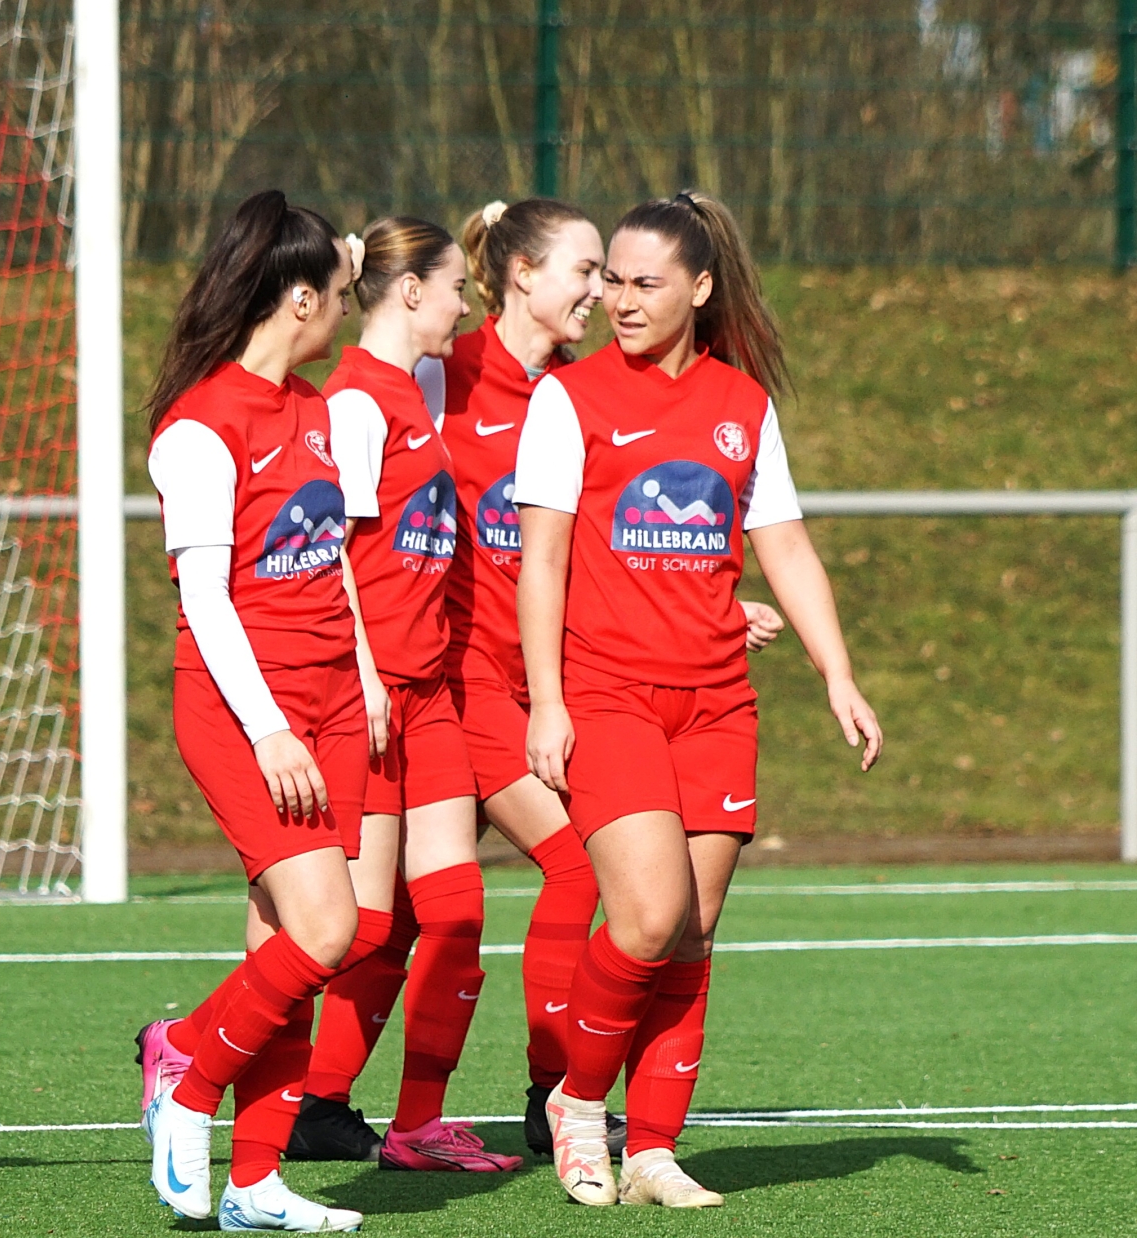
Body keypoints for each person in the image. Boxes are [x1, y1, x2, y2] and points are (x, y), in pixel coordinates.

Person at [514, 190, 882, 1208]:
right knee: (647, 913)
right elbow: (542, 562)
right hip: (607, 693)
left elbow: (786, 548)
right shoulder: (568, 398)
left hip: (716, 701)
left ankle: (654, 1149)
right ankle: (578, 1101)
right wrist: (546, 700)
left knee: (694, 930)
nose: (620, 300)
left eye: (645, 283)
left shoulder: (742, 405)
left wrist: (838, 674)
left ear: (701, 287)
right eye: (611, 281)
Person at [435, 198, 784, 1158]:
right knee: (409, 904)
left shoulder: (591, 391)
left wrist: (717, 608)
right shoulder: (444, 377)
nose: (605, 294)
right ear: (521, 276)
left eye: (623, 277)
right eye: (591, 272)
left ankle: (578, 1109)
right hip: (476, 683)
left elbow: (634, 543)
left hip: (562, 682)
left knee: (634, 903)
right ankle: (524, 1096)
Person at [135, 189, 373, 1233]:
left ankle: (256, 1181)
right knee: (329, 928)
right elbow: (206, 598)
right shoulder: (202, 425)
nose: (348, 309)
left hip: (331, 703)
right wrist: (271, 725)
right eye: (338, 293)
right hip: (247, 711)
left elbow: (328, 565)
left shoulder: (317, 409)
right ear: (300, 298)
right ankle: (185, 1072)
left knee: (287, 943)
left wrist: (359, 681)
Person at [287, 216, 518, 1173]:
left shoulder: (411, 389)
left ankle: (418, 1126)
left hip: (428, 695)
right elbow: (329, 552)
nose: (466, 306)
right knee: (365, 925)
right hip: (373, 696)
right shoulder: (355, 403)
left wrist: (488, 240)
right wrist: (366, 673)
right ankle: (202, 1048)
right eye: (456, 287)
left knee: (456, 911)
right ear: (412, 290)